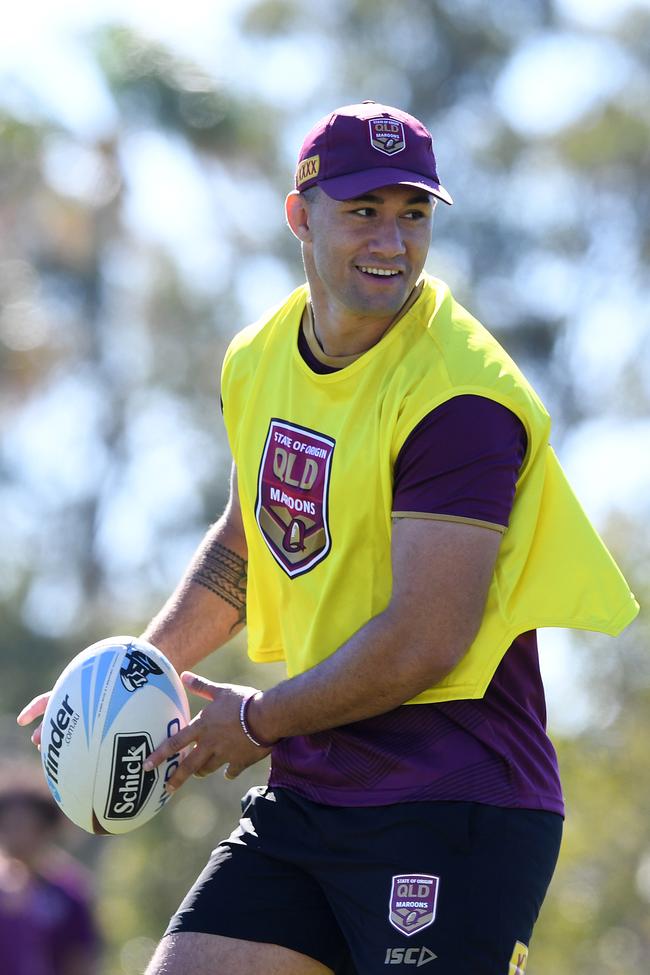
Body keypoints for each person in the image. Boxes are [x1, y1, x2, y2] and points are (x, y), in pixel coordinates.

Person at [19, 101, 639, 975]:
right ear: (298, 215)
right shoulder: (257, 358)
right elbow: (245, 547)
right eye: (363, 211)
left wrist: (262, 721)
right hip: (318, 784)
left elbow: (428, 636)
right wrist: (127, 678)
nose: (392, 241)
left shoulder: (461, 396)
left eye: (413, 214)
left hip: (454, 798)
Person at [0, 761, 101, 975]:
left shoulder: (68, 892)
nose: (13, 835)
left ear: (45, 829)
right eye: (7, 825)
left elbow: (80, 961)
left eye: (21, 825)